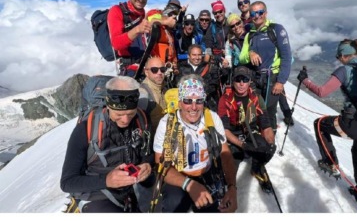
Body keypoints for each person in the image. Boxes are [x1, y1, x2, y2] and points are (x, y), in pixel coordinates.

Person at [297, 39, 357, 210]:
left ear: (343, 55)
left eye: (338, 56)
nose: (338, 59)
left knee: (320, 124)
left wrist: (305, 80)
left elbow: (322, 92)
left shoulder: (345, 70)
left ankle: (330, 163)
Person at [60, 76, 154, 212]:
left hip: (128, 193)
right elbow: (67, 182)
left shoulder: (141, 119)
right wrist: (106, 181)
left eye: (130, 113)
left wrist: (147, 165)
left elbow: (147, 153)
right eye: (119, 114)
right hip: (95, 196)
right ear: (109, 105)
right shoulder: (85, 130)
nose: (125, 120)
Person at [153, 74, 237, 213]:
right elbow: (161, 165)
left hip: (207, 172)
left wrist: (232, 187)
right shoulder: (167, 123)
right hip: (178, 176)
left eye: (199, 101)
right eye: (187, 100)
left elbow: (225, 153)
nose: (193, 107)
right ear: (179, 102)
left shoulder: (212, 118)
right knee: (173, 205)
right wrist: (189, 184)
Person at [218, 66, 276, 193]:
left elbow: (265, 124)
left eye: (245, 79)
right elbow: (225, 130)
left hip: (250, 131)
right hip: (233, 135)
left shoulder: (256, 97)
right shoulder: (225, 99)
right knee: (229, 168)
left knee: (266, 148)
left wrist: (270, 143)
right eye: (238, 79)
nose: (241, 83)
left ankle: (257, 167)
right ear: (233, 81)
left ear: (250, 81)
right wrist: (243, 145)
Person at [239, 1, 294, 131]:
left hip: (272, 78)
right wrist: (250, 53)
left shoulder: (276, 30)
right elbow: (242, 58)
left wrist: (281, 82)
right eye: (253, 13)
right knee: (252, 109)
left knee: (269, 112)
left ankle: (270, 143)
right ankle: (255, 137)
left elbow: (287, 57)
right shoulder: (250, 35)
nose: (257, 16)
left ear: (266, 13)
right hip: (256, 77)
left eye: (260, 12)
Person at [108, 0, 152, 77]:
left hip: (144, 63)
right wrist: (137, 30)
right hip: (129, 67)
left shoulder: (142, 13)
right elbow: (116, 44)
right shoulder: (116, 11)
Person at [176, 44, 229, 112]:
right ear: (188, 56)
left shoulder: (210, 68)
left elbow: (216, 83)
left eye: (199, 55)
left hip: (206, 104)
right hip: (187, 105)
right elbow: (177, 85)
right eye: (194, 55)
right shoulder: (180, 68)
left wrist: (225, 68)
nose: (197, 57)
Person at [146, 0, 181, 88]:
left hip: (167, 71)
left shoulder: (170, 32)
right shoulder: (157, 14)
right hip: (155, 70)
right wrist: (166, 21)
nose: (173, 15)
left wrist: (175, 65)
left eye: (176, 12)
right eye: (172, 9)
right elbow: (150, 22)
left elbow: (172, 50)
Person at [138, 57, 167, 136]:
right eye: (154, 70)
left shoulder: (166, 88)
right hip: (154, 142)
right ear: (146, 72)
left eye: (162, 69)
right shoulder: (143, 93)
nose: (159, 73)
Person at [205, 0, 229, 64]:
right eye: (215, 13)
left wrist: (228, 52)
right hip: (217, 60)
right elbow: (208, 47)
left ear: (224, 11)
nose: (218, 15)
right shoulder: (211, 29)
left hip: (231, 57)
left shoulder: (231, 25)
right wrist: (207, 59)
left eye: (220, 11)